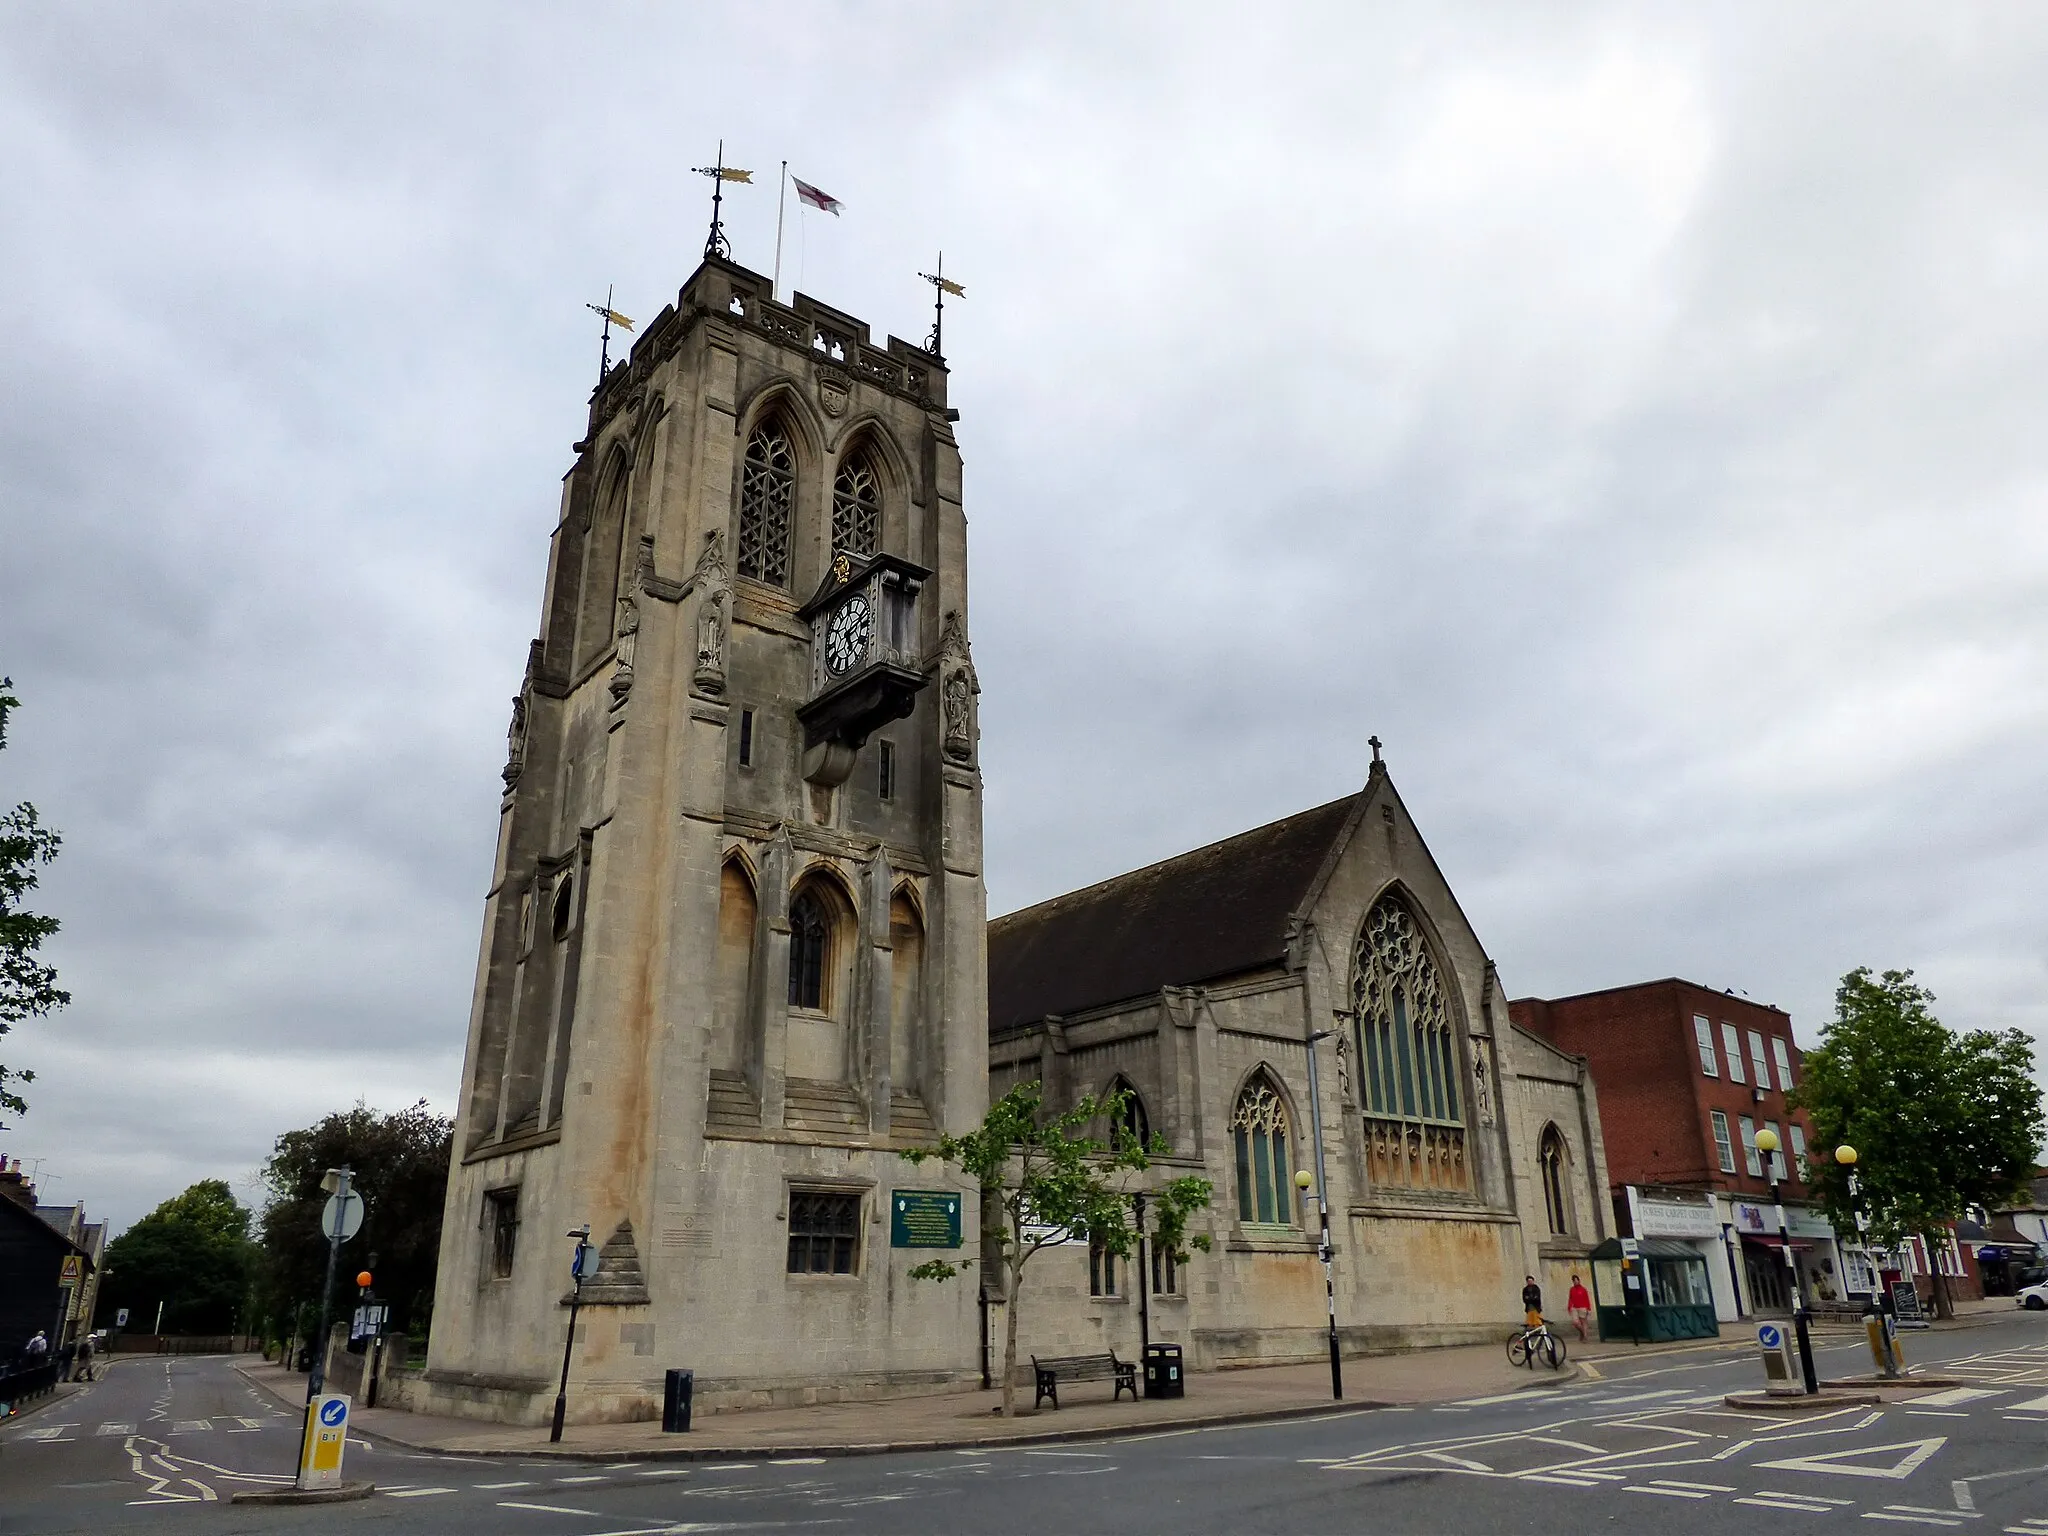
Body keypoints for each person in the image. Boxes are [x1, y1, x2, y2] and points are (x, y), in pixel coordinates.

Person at [1567, 1273, 1594, 1340]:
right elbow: (1570, 1298)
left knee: (1583, 1321)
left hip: (1583, 1307)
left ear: (1579, 1281)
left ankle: (1585, 1335)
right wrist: (1569, 1307)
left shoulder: (1583, 1289)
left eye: (1576, 1280)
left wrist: (1588, 1308)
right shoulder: (1572, 1289)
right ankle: (1582, 1331)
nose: (1575, 1282)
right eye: (1574, 1281)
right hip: (1575, 1307)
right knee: (1575, 1322)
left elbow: (1586, 1298)